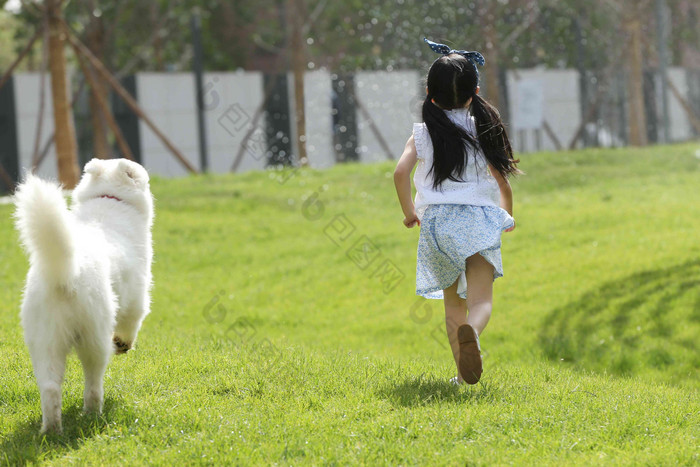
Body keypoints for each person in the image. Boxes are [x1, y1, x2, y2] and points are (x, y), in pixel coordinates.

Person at [393, 38, 521, 385]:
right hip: (477, 220)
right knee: (480, 302)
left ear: (428, 93)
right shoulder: (484, 127)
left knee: (452, 304)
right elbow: (502, 182)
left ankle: (462, 378)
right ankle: (473, 332)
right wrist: (506, 216)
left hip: (436, 225)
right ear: (475, 91)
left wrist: (409, 212)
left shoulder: (421, 134)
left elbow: (400, 174)